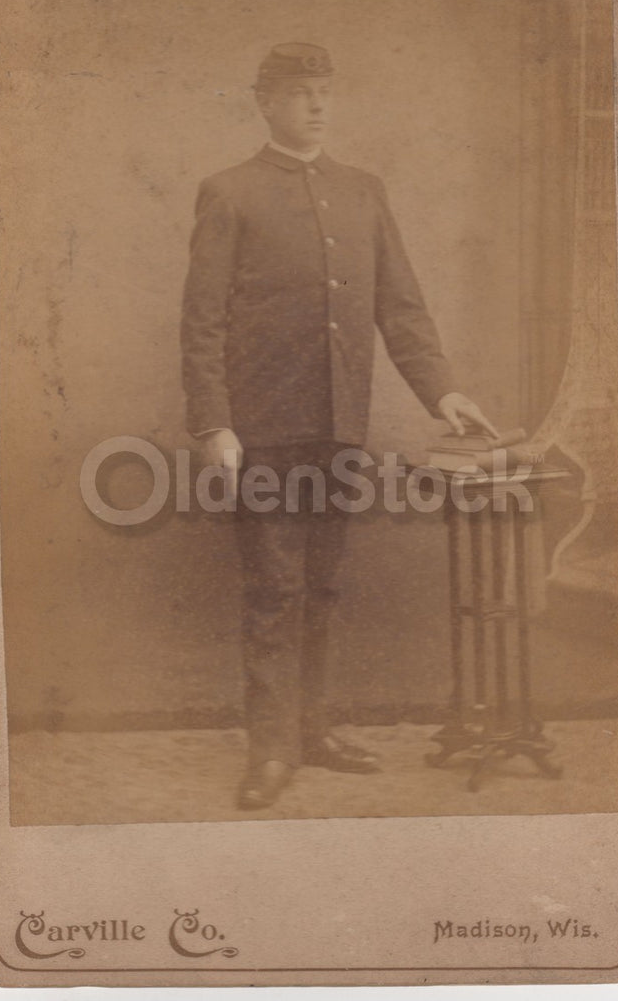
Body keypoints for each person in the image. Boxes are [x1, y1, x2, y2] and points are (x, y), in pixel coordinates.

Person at [181, 42, 498, 809]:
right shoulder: (230, 192)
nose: (317, 105)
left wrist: (443, 393)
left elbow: (401, 306)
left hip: (338, 427)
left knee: (321, 587)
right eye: (300, 92)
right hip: (261, 431)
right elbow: (202, 322)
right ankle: (271, 749)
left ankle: (311, 730)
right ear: (265, 102)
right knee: (274, 589)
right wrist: (215, 424)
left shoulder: (363, 191)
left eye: (324, 90)